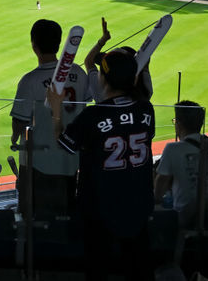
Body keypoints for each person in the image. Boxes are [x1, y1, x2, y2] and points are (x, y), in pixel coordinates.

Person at [49, 49, 155, 281]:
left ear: (104, 78)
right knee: (139, 266)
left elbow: (65, 144)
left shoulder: (93, 115)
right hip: (138, 202)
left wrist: (56, 110)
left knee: (98, 267)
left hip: (100, 205)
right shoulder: (146, 109)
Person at [10, 19, 91, 217]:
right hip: (72, 161)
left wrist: (14, 137)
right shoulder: (80, 73)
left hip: (40, 163)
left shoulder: (30, 80)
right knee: (67, 218)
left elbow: (19, 125)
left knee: (36, 221)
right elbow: (85, 104)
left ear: (34, 45)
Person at [154, 100, 208, 228]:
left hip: (188, 214)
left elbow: (160, 185)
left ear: (179, 124)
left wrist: (157, 199)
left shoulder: (173, 148)